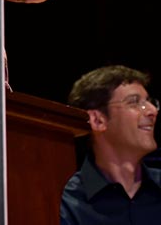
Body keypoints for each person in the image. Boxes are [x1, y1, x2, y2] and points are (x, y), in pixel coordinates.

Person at [60, 65, 161, 224]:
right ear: (98, 120)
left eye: (149, 101)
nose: (152, 110)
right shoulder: (67, 202)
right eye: (134, 102)